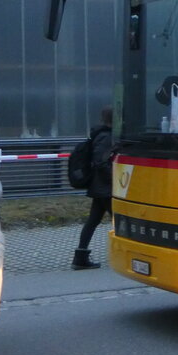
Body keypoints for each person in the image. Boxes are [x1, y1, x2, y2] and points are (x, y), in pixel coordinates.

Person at [73, 107, 114, 270]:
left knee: (93, 221)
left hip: (100, 187)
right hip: (106, 188)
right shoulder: (106, 137)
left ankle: (80, 257)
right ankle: (124, 254)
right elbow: (101, 162)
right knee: (120, 222)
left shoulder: (100, 134)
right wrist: (114, 179)